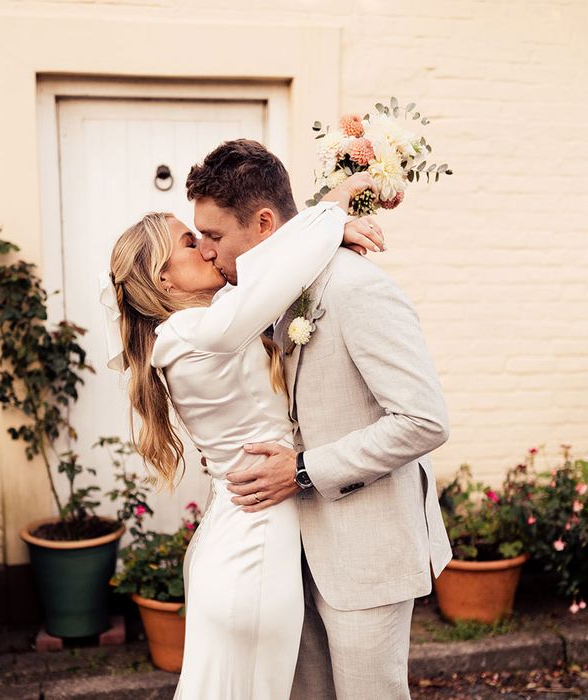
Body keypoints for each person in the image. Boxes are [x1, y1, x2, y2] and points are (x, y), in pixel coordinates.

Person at [103, 168, 384, 699]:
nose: (208, 251)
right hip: (253, 551)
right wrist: (332, 212)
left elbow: (269, 275)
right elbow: (272, 277)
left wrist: (325, 233)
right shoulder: (188, 333)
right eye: (191, 242)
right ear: (162, 280)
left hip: (244, 540)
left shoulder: (207, 322)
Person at [187, 140, 453, 700]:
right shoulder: (265, 298)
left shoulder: (359, 289)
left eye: (213, 237)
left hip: (364, 553)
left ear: (262, 223)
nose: (206, 253)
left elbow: (423, 419)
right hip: (286, 560)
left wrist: (304, 470)